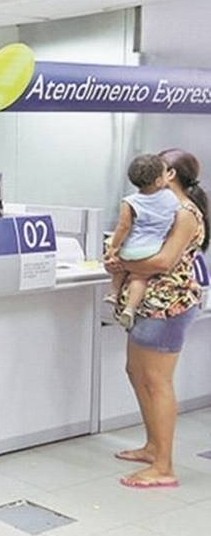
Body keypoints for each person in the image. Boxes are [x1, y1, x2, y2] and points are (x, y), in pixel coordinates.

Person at [108, 148, 207, 489]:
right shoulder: (158, 209)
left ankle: (164, 466)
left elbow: (163, 262)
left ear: (170, 175)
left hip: (168, 306)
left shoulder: (185, 214)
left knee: (157, 381)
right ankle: (152, 447)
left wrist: (122, 263)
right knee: (136, 372)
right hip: (147, 305)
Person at [106, 154, 180, 330]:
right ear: (158, 181)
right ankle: (130, 309)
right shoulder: (171, 198)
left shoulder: (130, 202)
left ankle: (113, 293)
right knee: (139, 277)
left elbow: (123, 226)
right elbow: (175, 217)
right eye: (165, 173)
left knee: (120, 265)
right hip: (153, 248)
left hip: (131, 247)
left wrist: (114, 247)